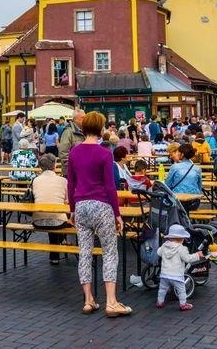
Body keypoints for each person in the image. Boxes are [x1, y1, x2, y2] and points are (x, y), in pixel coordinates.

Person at [66, 111, 131, 317]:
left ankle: (88, 300)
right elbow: (110, 187)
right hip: (102, 206)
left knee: (84, 252)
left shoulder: (74, 152)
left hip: (82, 206)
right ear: (101, 128)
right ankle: (111, 302)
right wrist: (117, 214)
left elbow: (71, 184)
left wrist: (72, 210)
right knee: (109, 252)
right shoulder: (105, 153)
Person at [155, 224, 204, 311]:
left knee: (162, 289)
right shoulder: (181, 248)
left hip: (164, 274)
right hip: (176, 275)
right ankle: (183, 304)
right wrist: (197, 255)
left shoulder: (164, 246)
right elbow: (188, 259)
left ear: (170, 237)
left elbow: (158, 252)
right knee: (181, 290)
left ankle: (160, 302)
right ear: (182, 239)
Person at [31, 153, 69, 264]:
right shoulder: (63, 181)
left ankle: (55, 256)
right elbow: (67, 201)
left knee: (50, 216)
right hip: (59, 221)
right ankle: (61, 243)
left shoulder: (35, 180)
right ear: (54, 165)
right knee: (56, 217)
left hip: (37, 220)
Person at [165, 142, 202, 211]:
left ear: (182, 154)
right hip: (194, 202)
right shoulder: (197, 168)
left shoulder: (174, 167)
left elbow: (167, 185)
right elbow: (199, 187)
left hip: (178, 201)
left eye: (179, 152)